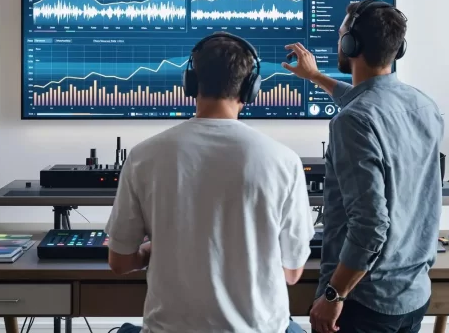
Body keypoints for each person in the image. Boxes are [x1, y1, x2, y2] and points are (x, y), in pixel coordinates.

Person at [106, 32, 315, 333]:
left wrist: (155, 249)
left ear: (190, 83)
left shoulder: (143, 156)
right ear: (250, 88)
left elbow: (120, 262)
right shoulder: (284, 160)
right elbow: (292, 273)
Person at [283, 1, 443, 333]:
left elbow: (370, 225)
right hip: (412, 294)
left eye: (342, 35)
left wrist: (333, 295)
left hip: (364, 301)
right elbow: (368, 100)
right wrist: (316, 78)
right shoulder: (423, 105)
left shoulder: (352, 121)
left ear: (350, 45)